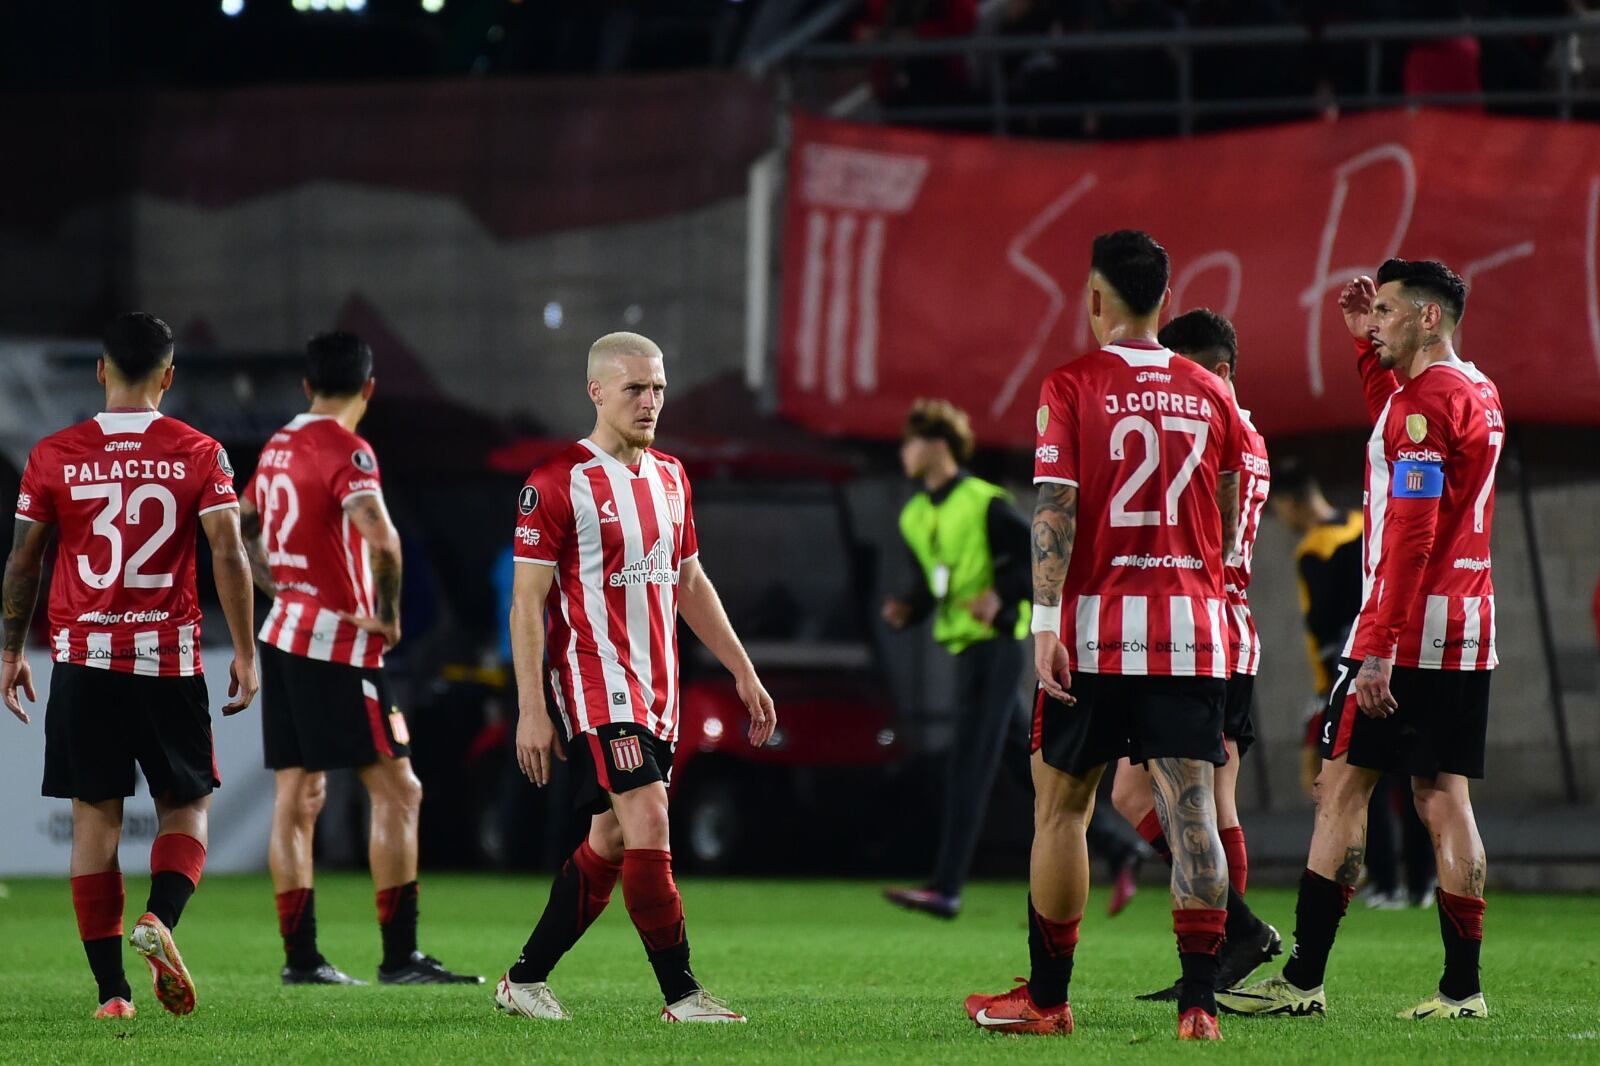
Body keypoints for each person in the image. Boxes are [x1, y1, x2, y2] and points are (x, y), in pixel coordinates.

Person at [964, 231, 1244, 1041]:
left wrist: (1042, 624)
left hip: (1093, 635)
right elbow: (1224, 519)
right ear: (1167, 295)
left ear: (1095, 298)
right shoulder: (1212, 391)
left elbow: (1054, 510)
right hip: (1191, 629)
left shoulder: (1072, 385)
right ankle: (1199, 1006)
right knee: (1192, 807)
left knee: (1062, 813)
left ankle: (1048, 1001)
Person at [1221, 259, 1502, 1021]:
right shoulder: (1473, 390)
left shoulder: (1426, 404)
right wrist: (1360, 347)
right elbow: (1401, 426)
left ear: (1429, 318)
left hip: (1408, 633)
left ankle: (1303, 978)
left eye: (1385, 310)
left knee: (1340, 792)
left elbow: (1411, 533)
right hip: (1466, 625)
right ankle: (1462, 989)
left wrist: (1378, 646)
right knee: (1445, 800)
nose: (1373, 321)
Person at [497, 331, 777, 1024]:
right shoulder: (556, 481)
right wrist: (532, 709)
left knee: (613, 840)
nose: (650, 402)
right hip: (595, 683)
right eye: (634, 389)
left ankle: (523, 981)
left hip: (659, 689)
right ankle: (682, 995)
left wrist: (743, 670)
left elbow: (689, 582)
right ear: (596, 392)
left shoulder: (672, 476)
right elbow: (526, 604)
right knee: (649, 815)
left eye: (657, 388)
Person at [1, 312, 258, 1018]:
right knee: (188, 806)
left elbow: (24, 560)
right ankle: (160, 921)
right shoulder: (200, 451)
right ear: (169, 377)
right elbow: (228, 553)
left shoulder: (54, 454)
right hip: (166, 662)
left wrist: (9, 649)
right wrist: (244, 647)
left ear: (100, 372)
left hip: (81, 662)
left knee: (95, 821)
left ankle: (112, 993)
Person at [239, 331, 478, 986]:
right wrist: (391, 616)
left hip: (283, 633)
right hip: (336, 644)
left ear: (306, 386)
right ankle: (401, 956)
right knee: (400, 789)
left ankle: (301, 959)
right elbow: (384, 539)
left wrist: (276, 590)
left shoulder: (280, 444)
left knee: (298, 792)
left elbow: (242, 524)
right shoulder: (347, 449)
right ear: (368, 389)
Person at [880, 400, 1149, 920]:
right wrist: (907, 609)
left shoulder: (985, 503)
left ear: (938, 445)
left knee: (969, 763)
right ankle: (1121, 849)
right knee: (1032, 772)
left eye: (911, 441)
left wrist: (1002, 596)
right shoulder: (914, 514)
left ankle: (946, 887)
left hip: (997, 650)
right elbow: (932, 583)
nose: (904, 452)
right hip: (963, 648)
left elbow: (1040, 557)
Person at [1107, 309, 1282, 999]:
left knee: (1174, 798)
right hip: (1220, 630)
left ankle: (1224, 948)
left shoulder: (1221, 432)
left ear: (1222, 369)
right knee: (1199, 801)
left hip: (1204, 631)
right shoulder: (1243, 432)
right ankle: (1222, 950)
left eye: (1187, 370)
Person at [1273, 458, 1434, 908]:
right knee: (1412, 772)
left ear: (1290, 502)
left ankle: (1385, 881)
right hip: (1402, 657)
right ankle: (1421, 883)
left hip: (1353, 673)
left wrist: (1327, 687)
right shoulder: (1365, 524)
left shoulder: (1315, 550)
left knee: (1363, 780)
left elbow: (1324, 627)